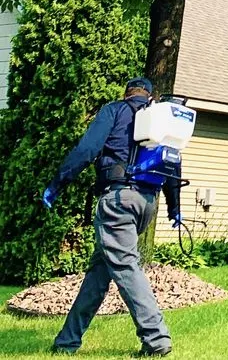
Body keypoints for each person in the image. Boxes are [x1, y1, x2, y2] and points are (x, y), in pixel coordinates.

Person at [41, 77, 182, 356]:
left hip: (118, 200)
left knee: (126, 266)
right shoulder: (160, 118)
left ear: (127, 93)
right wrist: (174, 207)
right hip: (146, 202)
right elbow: (172, 163)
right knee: (99, 273)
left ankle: (156, 339)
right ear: (149, 95)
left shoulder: (115, 110)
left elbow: (86, 150)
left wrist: (56, 185)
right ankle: (66, 342)